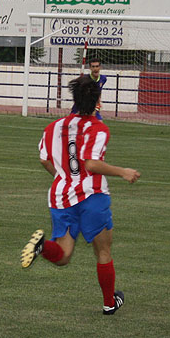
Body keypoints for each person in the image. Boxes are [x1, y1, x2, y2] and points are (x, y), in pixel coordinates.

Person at [21, 75, 140, 315]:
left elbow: (44, 159)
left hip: (60, 196)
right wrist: (123, 172)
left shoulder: (53, 127)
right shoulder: (98, 128)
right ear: (97, 101)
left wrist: (62, 176)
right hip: (91, 195)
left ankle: (43, 247)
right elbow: (92, 164)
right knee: (103, 251)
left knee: (63, 255)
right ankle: (109, 302)